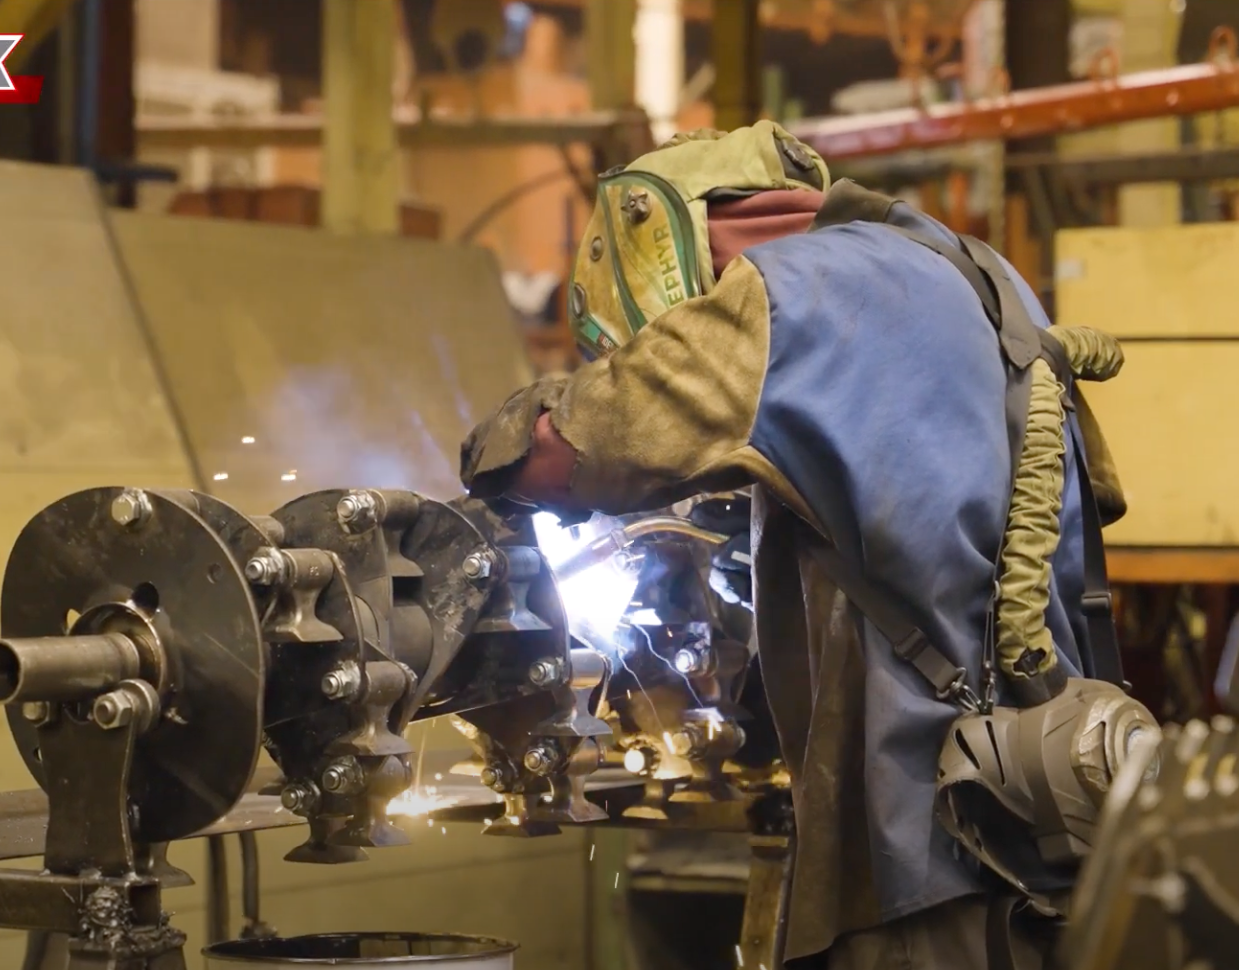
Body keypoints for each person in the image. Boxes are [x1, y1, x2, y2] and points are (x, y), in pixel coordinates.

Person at [459, 122, 1132, 969]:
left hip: (925, 830)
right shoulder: (976, 273)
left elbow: (581, 450)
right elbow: (1072, 497)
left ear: (658, 240)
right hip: (1054, 805)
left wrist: (509, 440)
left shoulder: (783, 292)